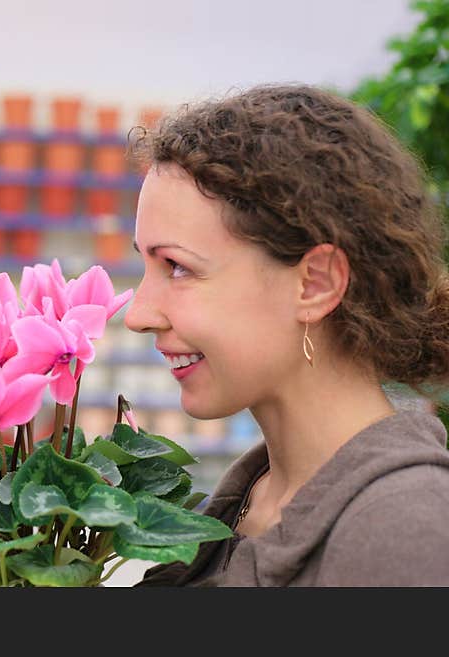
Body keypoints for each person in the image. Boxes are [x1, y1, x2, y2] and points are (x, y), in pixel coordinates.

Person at [125, 84, 449, 586]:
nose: (139, 313)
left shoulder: (407, 532)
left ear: (315, 284)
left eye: (177, 267)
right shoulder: (237, 508)